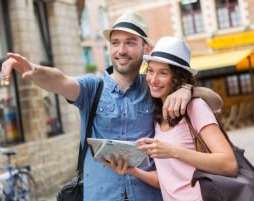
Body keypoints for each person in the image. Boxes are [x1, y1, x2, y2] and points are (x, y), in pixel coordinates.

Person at [1, 10, 223, 201]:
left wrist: (188, 89)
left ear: (147, 48)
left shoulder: (154, 88)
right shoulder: (92, 88)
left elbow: (215, 102)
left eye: (130, 42)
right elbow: (60, 81)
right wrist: (35, 70)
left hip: (149, 195)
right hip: (101, 195)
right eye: (115, 43)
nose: (121, 50)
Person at [102, 36, 238, 201]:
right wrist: (132, 170)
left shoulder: (195, 107)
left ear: (178, 77)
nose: (153, 79)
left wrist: (173, 151)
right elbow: (168, 181)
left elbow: (229, 164)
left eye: (163, 73)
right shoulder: (157, 116)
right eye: (151, 71)